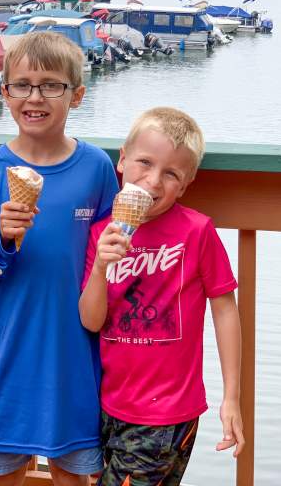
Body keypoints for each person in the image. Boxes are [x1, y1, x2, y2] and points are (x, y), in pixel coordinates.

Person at [0, 31, 119, 486]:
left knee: (74, 474)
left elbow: (112, 258)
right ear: (4, 94)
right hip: (4, 351)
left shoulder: (97, 168)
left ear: (76, 95)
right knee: (2, 476)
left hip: (75, 353)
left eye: (50, 85)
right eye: (21, 85)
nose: (34, 96)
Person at [79, 107, 244, 486]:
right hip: (108, 404)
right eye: (144, 163)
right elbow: (91, 320)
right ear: (122, 160)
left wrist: (231, 397)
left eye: (171, 174)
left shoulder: (197, 231)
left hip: (167, 411)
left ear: (185, 185)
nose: (153, 182)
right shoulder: (100, 232)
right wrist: (102, 268)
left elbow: (224, 310)